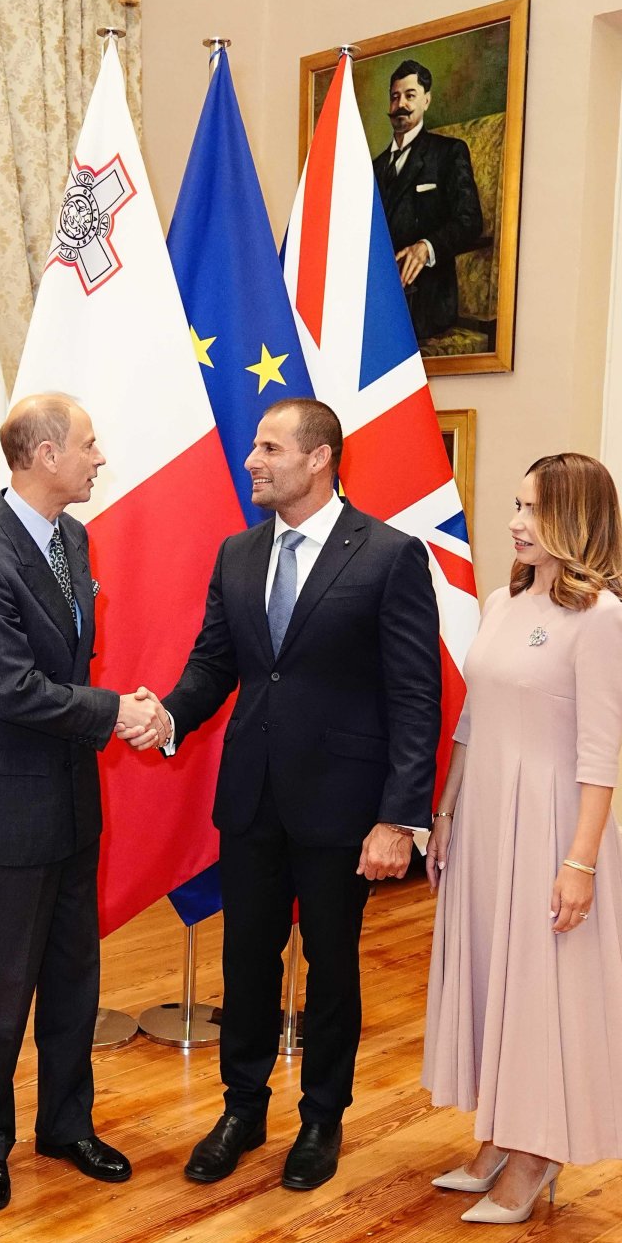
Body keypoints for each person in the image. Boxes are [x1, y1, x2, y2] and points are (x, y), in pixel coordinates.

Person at [155, 399, 441, 1190]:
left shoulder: (388, 556)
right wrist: (168, 715)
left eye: (269, 448)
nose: (253, 460)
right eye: (255, 448)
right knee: (244, 961)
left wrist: (399, 817)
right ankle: (241, 1109)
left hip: (343, 811)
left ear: (319, 459)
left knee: (330, 967)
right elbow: (216, 665)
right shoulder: (238, 554)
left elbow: (416, 697)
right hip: (251, 799)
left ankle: (321, 1119)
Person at [0, 393, 168, 1213]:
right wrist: (116, 713)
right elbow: (10, 690)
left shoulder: (72, 535)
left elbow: (67, 668)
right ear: (43, 455)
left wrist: (111, 707)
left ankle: (67, 1124)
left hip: (73, 800)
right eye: (88, 444)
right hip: (7, 811)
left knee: (76, 977)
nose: (98, 457)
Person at [422, 453, 622, 1224]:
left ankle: (536, 1155)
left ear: (575, 519)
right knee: (497, 973)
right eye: (517, 506)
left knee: (541, 985)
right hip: (487, 817)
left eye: (533, 509)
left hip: (553, 823)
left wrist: (579, 861)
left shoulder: (604, 621)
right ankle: (498, 1129)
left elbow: (600, 755)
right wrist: (448, 811)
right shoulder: (502, 601)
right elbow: (471, 718)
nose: (517, 522)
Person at [372, 59, 483, 341]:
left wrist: (426, 247)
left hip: (427, 301)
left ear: (426, 101)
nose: (401, 105)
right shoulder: (372, 168)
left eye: (410, 96)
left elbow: (470, 221)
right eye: (395, 97)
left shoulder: (448, 153)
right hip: (377, 299)